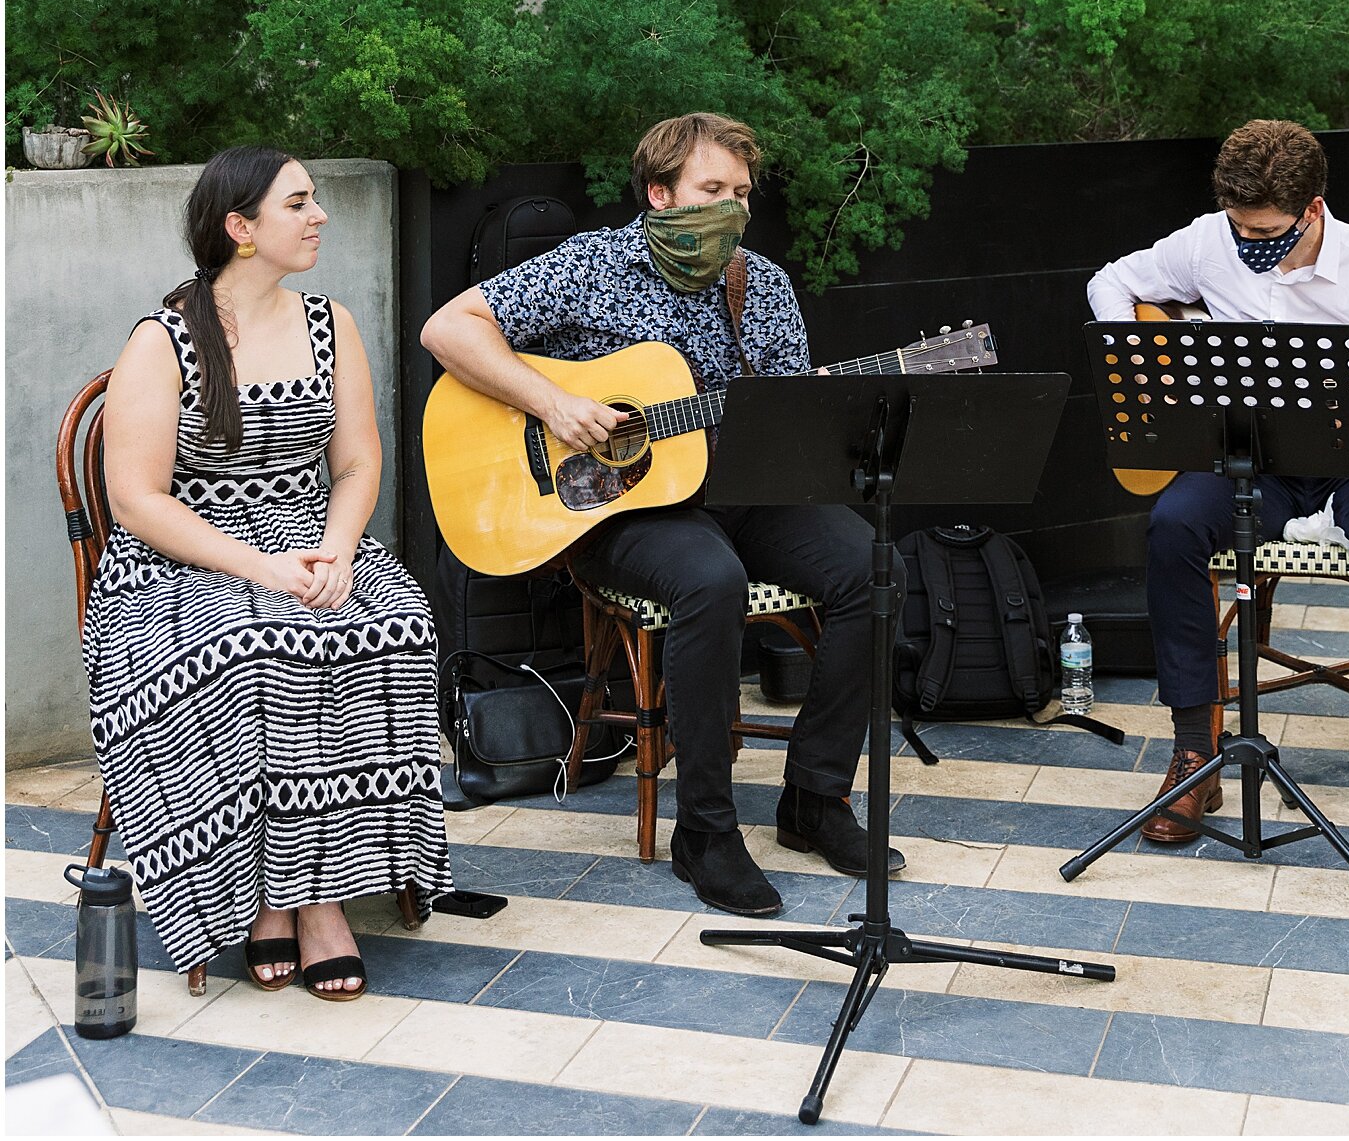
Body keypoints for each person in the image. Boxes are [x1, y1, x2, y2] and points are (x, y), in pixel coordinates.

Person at [422, 110, 903, 919]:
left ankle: (814, 799)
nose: (733, 208)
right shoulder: (590, 266)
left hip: (738, 490)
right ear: (659, 192)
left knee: (869, 564)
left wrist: (808, 409)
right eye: (712, 188)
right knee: (707, 578)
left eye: (742, 193)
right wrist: (557, 402)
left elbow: (788, 433)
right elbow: (447, 328)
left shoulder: (763, 284)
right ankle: (706, 833)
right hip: (618, 506)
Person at [84, 147, 452, 996]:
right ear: (240, 228)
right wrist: (265, 568)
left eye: (315, 199)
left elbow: (358, 463)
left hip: (312, 534)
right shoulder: (164, 337)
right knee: (254, 642)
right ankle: (269, 902)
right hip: (180, 560)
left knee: (396, 627)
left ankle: (324, 893)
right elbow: (137, 501)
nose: (319, 214)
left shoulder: (332, 323)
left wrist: (337, 549)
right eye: (299, 202)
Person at [1087, 117, 1349, 859]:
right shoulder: (1209, 240)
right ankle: (1195, 757)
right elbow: (1113, 279)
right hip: (1247, 464)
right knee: (1174, 525)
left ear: (1313, 207)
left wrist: (1336, 415)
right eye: (1240, 227)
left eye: (1264, 231)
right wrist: (1145, 353)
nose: (1248, 244)